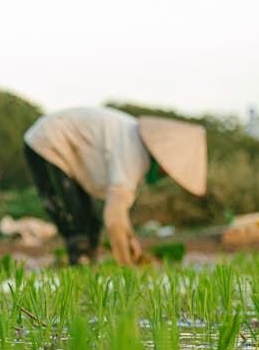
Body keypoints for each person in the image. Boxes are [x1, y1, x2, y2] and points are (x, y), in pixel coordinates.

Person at [22, 106, 207, 266]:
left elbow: (119, 213)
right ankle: (78, 272)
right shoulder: (134, 155)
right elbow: (113, 218)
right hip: (47, 143)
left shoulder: (133, 140)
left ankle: (84, 273)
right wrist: (126, 264)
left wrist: (130, 240)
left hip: (63, 150)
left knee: (92, 223)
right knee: (76, 225)